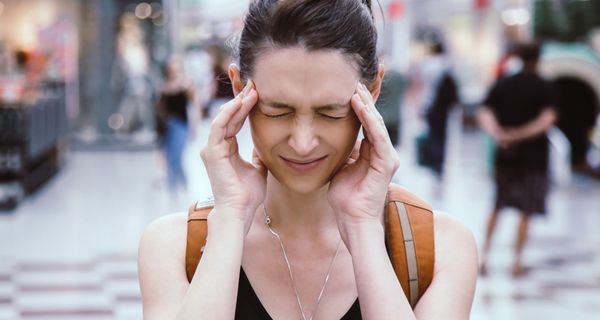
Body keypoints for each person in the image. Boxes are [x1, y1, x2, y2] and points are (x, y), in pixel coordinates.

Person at [138, 1, 477, 319]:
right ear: (240, 88)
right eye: (278, 110)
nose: (302, 143)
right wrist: (230, 219)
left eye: (331, 113)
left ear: (371, 93)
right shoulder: (174, 247)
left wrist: (361, 229)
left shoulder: (438, 249)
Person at [477, 42, 558, 277]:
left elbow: (484, 112)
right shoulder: (546, 87)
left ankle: (485, 256)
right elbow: (547, 119)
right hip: (534, 158)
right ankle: (517, 261)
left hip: (505, 156)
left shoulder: (504, 84)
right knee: (526, 211)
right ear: (539, 59)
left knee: (498, 204)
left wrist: (500, 135)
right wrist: (521, 134)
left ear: (518, 58)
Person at [155, 55, 198, 199]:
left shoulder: (186, 84)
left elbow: (194, 106)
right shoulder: (164, 87)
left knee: (177, 157)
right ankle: (173, 188)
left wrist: (194, 127)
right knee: (169, 157)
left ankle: (183, 185)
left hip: (181, 125)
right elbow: (159, 107)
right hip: (168, 126)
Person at [416, 41, 459, 176]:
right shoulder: (446, 64)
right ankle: (439, 161)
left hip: (430, 105)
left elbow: (422, 87)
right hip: (443, 105)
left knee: (432, 133)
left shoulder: (428, 64)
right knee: (442, 134)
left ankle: (433, 160)